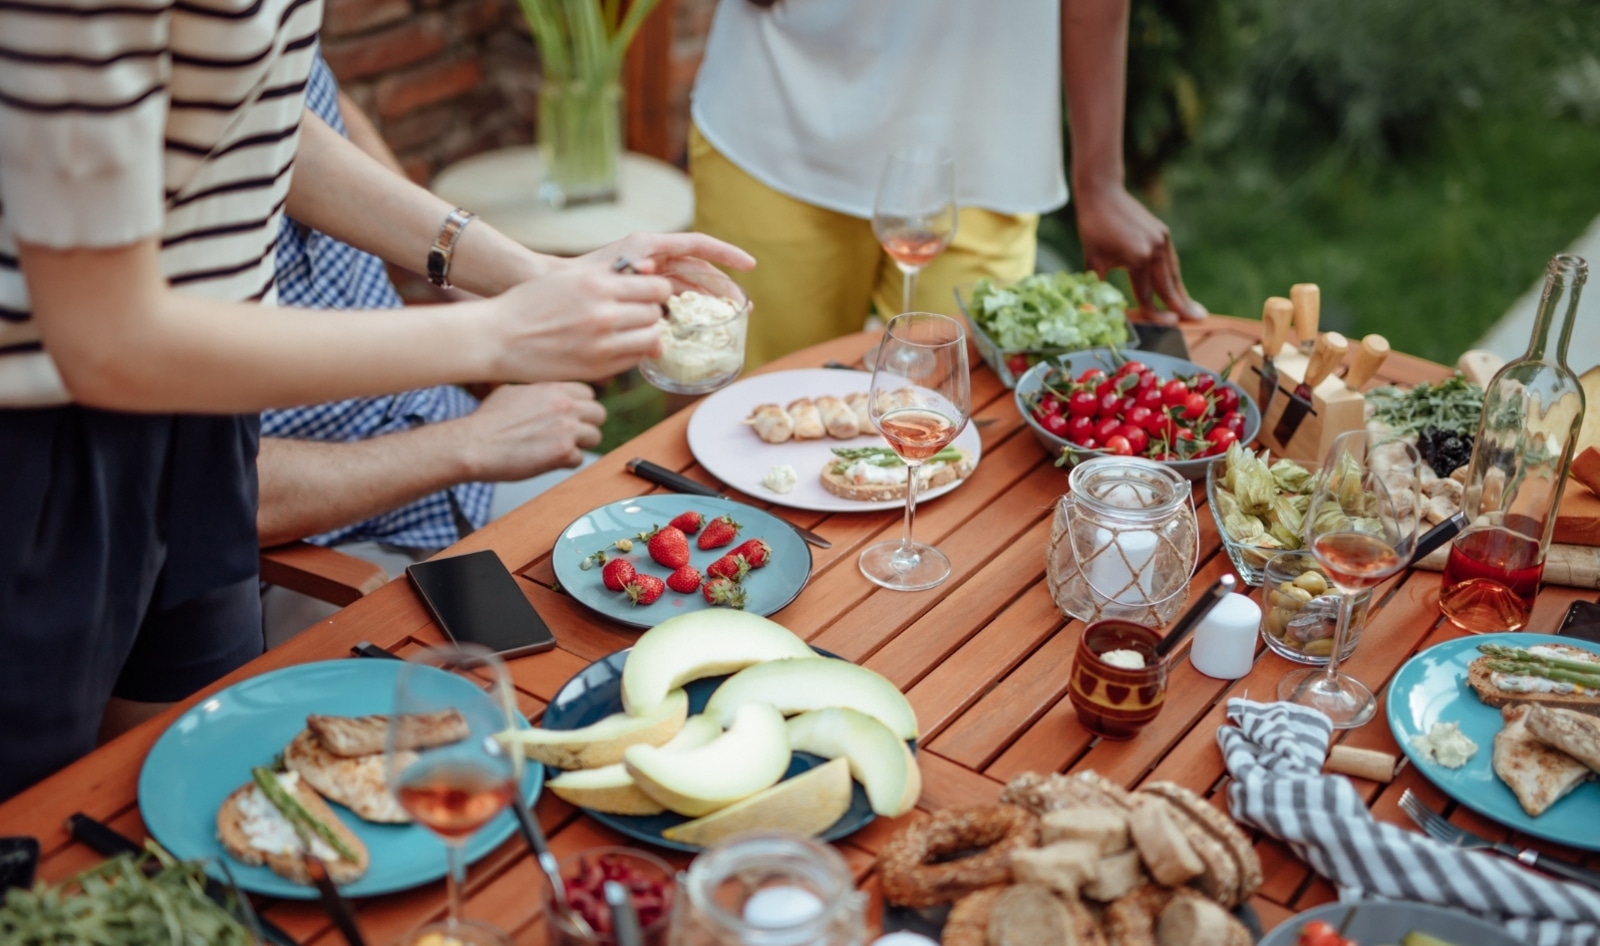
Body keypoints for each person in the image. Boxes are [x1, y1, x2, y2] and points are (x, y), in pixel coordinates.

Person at [0, 2, 751, 801]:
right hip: (47, 454)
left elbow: (266, 119)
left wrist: (537, 274)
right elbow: (105, 343)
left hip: (204, 419)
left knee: (203, 789)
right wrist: (496, 337)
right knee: (47, 828)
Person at [258, 55, 605, 644]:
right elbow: (217, 493)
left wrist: (480, 269)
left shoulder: (256, 49)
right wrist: (472, 438)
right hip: (313, 545)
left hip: (436, 429)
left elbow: (320, 112)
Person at [689, 0, 1206, 367]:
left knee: (951, 422)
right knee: (745, 416)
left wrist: (1101, 182)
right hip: (780, 122)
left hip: (982, 153)